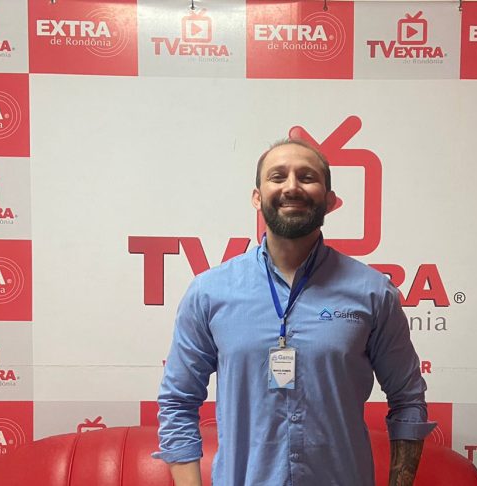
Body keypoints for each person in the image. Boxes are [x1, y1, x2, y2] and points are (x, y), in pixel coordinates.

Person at [154, 139, 435, 486]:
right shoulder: (209, 292)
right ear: (257, 197)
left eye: (306, 177)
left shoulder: (374, 293)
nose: (291, 187)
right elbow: (177, 403)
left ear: (330, 200)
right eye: (277, 176)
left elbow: (408, 400)